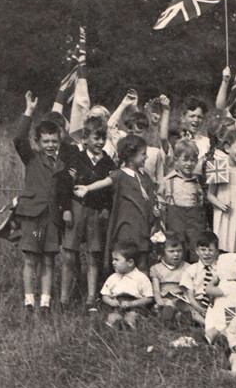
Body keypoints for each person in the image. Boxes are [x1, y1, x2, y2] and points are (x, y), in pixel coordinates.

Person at [13, 91, 68, 314]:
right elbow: (19, 139)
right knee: (31, 259)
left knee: (49, 260)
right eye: (46, 141)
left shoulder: (63, 163)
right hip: (33, 219)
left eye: (54, 141)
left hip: (52, 219)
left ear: (59, 141)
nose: (50, 145)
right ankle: (29, 302)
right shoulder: (31, 157)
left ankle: (45, 303)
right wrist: (29, 111)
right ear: (38, 142)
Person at [74, 134, 158, 272]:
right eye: (143, 154)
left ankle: (142, 285)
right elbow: (105, 182)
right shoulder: (120, 175)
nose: (146, 157)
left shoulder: (145, 177)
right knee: (125, 259)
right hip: (126, 227)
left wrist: (155, 218)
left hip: (142, 227)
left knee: (143, 262)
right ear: (131, 155)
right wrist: (87, 188)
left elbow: (152, 198)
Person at [58, 115, 116, 311]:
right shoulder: (76, 159)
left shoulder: (108, 163)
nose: (100, 142)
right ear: (85, 139)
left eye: (103, 138)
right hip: (76, 209)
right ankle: (64, 297)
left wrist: (106, 209)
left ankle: (91, 297)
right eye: (95, 138)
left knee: (93, 254)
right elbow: (65, 186)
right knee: (69, 254)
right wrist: (66, 209)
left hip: (96, 212)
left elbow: (110, 191)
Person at [207, 129, 236, 254]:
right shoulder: (218, 166)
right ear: (227, 148)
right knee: (223, 243)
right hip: (224, 214)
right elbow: (210, 195)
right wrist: (220, 204)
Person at [159, 139, 205, 261]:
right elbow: (161, 201)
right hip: (175, 220)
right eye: (185, 159)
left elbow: (200, 201)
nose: (189, 164)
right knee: (177, 247)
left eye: (193, 160)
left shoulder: (196, 182)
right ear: (176, 160)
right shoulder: (168, 180)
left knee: (195, 247)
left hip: (193, 221)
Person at [100, 240, 154, 329]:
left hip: (136, 307)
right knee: (112, 317)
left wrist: (132, 303)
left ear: (130, 262)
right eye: (113, 259)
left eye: (116, 260)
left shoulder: (141, 278)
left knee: (132, 316)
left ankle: (129, 328)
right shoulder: (113, 278)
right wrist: (111, 301)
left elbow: (149, 298)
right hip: (118, 306)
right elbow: (105, 295)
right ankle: (113, 328)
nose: (113, 262)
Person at [179, 232, 223, 327]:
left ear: (217, 252)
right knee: (184, 305)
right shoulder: (191, 270)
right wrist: (200, 309)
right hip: (197, 303)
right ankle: (206, 324)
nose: (206, 253)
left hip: (215, 302)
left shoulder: (221, 269)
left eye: (210, 250)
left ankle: (207, 321)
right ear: (197, 251)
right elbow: (190, 297)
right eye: (203, 250)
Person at [149, 231, 191, 326]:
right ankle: (167, 322)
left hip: (181, 298)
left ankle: (181, 320)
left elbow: (189, 288)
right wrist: (159, 299)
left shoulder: (187, 267)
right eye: (171, 251)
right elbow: (156, 290)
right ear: (162, 252)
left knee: (185, 307)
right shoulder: (156, 268)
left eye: (179, 251)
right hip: (164, 299)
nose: (176, 254)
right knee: (168, 304)